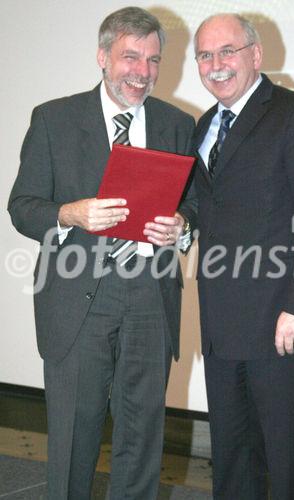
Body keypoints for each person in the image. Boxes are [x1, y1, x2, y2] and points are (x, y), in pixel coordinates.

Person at [8, 7, 196, 500]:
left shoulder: (178, 124)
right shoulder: (54, 118)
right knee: (74, 433)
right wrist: (71, 213)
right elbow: (21, 207)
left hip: (151, 297)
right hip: (77, 300)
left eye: (153, 60)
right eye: (130, 56)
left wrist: (183, 227)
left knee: (142, 437)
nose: (142, 71)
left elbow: (194, 205)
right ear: (102, 56)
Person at [193, 13, 294, 499]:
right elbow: (211, 210)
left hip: (282, 326)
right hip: (222, 330)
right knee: (233, 463)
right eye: (204, 55)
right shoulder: (204, 126)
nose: (216, 65)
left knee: (288, 467)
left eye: (227, 51)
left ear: (255, 55)